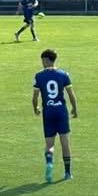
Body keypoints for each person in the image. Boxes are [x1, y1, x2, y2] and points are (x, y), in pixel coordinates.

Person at [32, 48, 79, 183]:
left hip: (48, 113)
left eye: (42, 60)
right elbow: (71, 95)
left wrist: (36, 108)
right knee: (65, 142)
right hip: (61, 112)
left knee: (49, 145)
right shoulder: (63, 74)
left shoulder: (39, 76)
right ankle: (68, 172)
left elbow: (35, 97)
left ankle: (49, 165)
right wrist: (75, 109)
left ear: (46, 60)